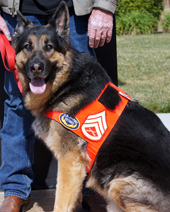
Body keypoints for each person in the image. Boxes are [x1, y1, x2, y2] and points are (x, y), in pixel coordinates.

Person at [0, 0, 118, 211]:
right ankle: (15, 190)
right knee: (17, 104)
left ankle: (92, 189)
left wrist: (104, 6)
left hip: (77, 10)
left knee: (89, 104)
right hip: (16, 9)